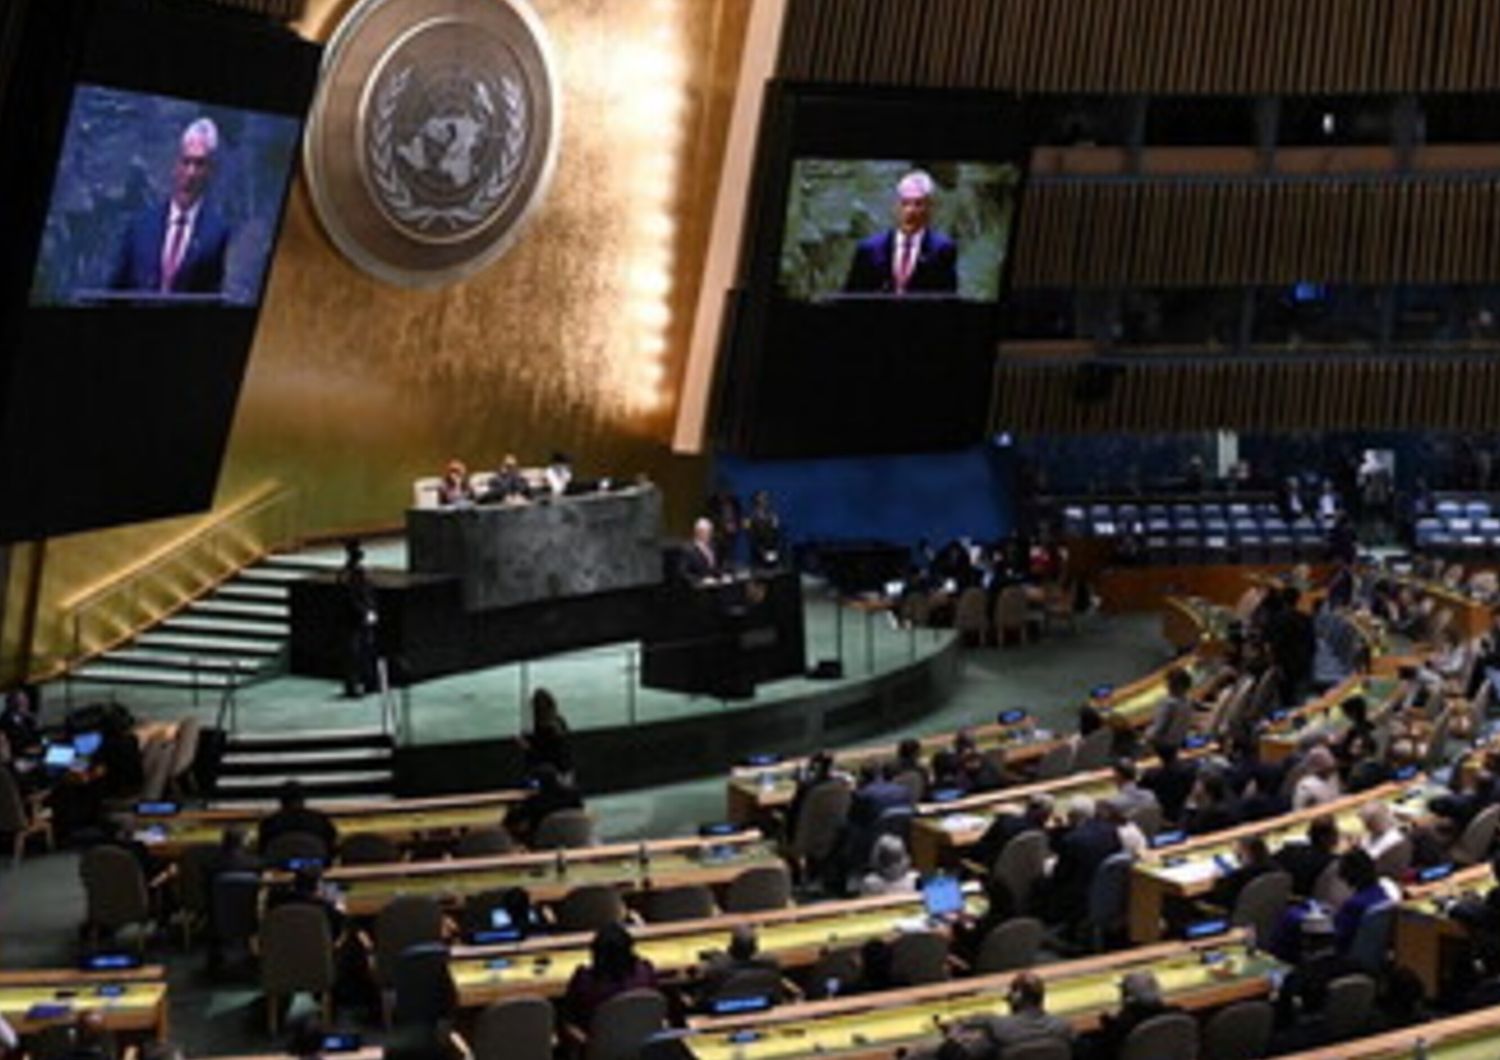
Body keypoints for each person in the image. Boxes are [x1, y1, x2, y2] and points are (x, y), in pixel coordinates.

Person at [109, 117, 231, 295]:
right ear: (175, 165)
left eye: (199, 164)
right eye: (186, 161)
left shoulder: (216, 233)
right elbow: (115, 289)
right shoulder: (140, 226)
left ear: (210, 171)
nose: (191, 172)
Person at [842, 170, 959, 297]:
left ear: (929, 208)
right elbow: (851, 297)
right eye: (905, 203)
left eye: (918, 204)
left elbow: (947, 297)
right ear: (895, 207)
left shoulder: (942, 250)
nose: (910, 211)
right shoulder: (869, 249)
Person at [955, 971, 1073, 1058]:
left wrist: (955, 1036)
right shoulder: (1063, 1026)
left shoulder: (999, 1028)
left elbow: (968, 1054)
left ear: (1016, 998)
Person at [564, 922, 659, 1026]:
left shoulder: (585, 981)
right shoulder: (645, 971)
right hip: (643, 1038)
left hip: (599, 1039)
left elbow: (569, 1015)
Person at [1093, 970, 1180, 1060]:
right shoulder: (1178, 1016)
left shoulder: (1125, 1024)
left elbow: (1108, 1045)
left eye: (1124, 992)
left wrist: (1106, 1021)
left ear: (1128, 998)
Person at [697, 925, 782, 1005]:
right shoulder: (770, 964)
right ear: (755, 948)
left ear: (731, 947)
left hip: (723, 1011)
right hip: (760, 1006)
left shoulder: (717, 966)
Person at [336, 540, 378, 698]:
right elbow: (351, 597)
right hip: (351, 620)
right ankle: (352, 686)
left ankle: (368, 682)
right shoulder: (347, 574)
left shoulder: (358, 572)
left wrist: (371, 609)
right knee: (353, 654)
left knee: (365, 652)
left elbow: (368, 593)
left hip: (361, 617)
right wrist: (365, 612)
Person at [504, 763, 583, 845]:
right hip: (579, 842)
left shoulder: (536, 801)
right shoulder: (574, 796)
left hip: (545, 844)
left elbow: (510, 823)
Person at [258, 781, 338, 858]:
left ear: (281, 801)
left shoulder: (269, 823)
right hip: (316, 867)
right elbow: (332, 849)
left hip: (277, 867)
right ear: (303, 799)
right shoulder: (321, 820)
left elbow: (261, 852)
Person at [1275, 815, 1340, 896]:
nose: (1338, 836)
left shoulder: (1290, 850)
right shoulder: (1332, 862)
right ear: (1323, 838)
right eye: (1335, 833)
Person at [519, 688, 573, 780]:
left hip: (548, 771)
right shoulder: (559, 722)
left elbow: (540, 753)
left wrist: (527, 747)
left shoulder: (538, 728)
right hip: (560, 770)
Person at [1147, 668, 1195, 749]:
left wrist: (1146, 736)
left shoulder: (1168, 704)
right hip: (1179, 742)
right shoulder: (1188, 702)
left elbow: (1158, 730)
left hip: (1164, 747)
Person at [745, 490, 783, 569]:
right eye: (761, 499)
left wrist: (775, 548)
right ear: (756, 501)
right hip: (757, 550)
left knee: (772, 567)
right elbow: (749, 534)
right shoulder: (749, 516)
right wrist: (760, 550)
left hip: (771, 547)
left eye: (766, 499)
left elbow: (776, 532)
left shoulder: (772, 515)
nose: (764, 502)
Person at [680, 517, 722, 584]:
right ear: (698, 532)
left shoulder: (713, 546)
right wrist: (701, 580)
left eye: (710, 532)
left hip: (715, 585)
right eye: (707, 532)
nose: (710, 535)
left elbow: (716, 567)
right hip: (698, 589)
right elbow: (683, 573)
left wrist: (722, 576)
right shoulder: (688, 549)